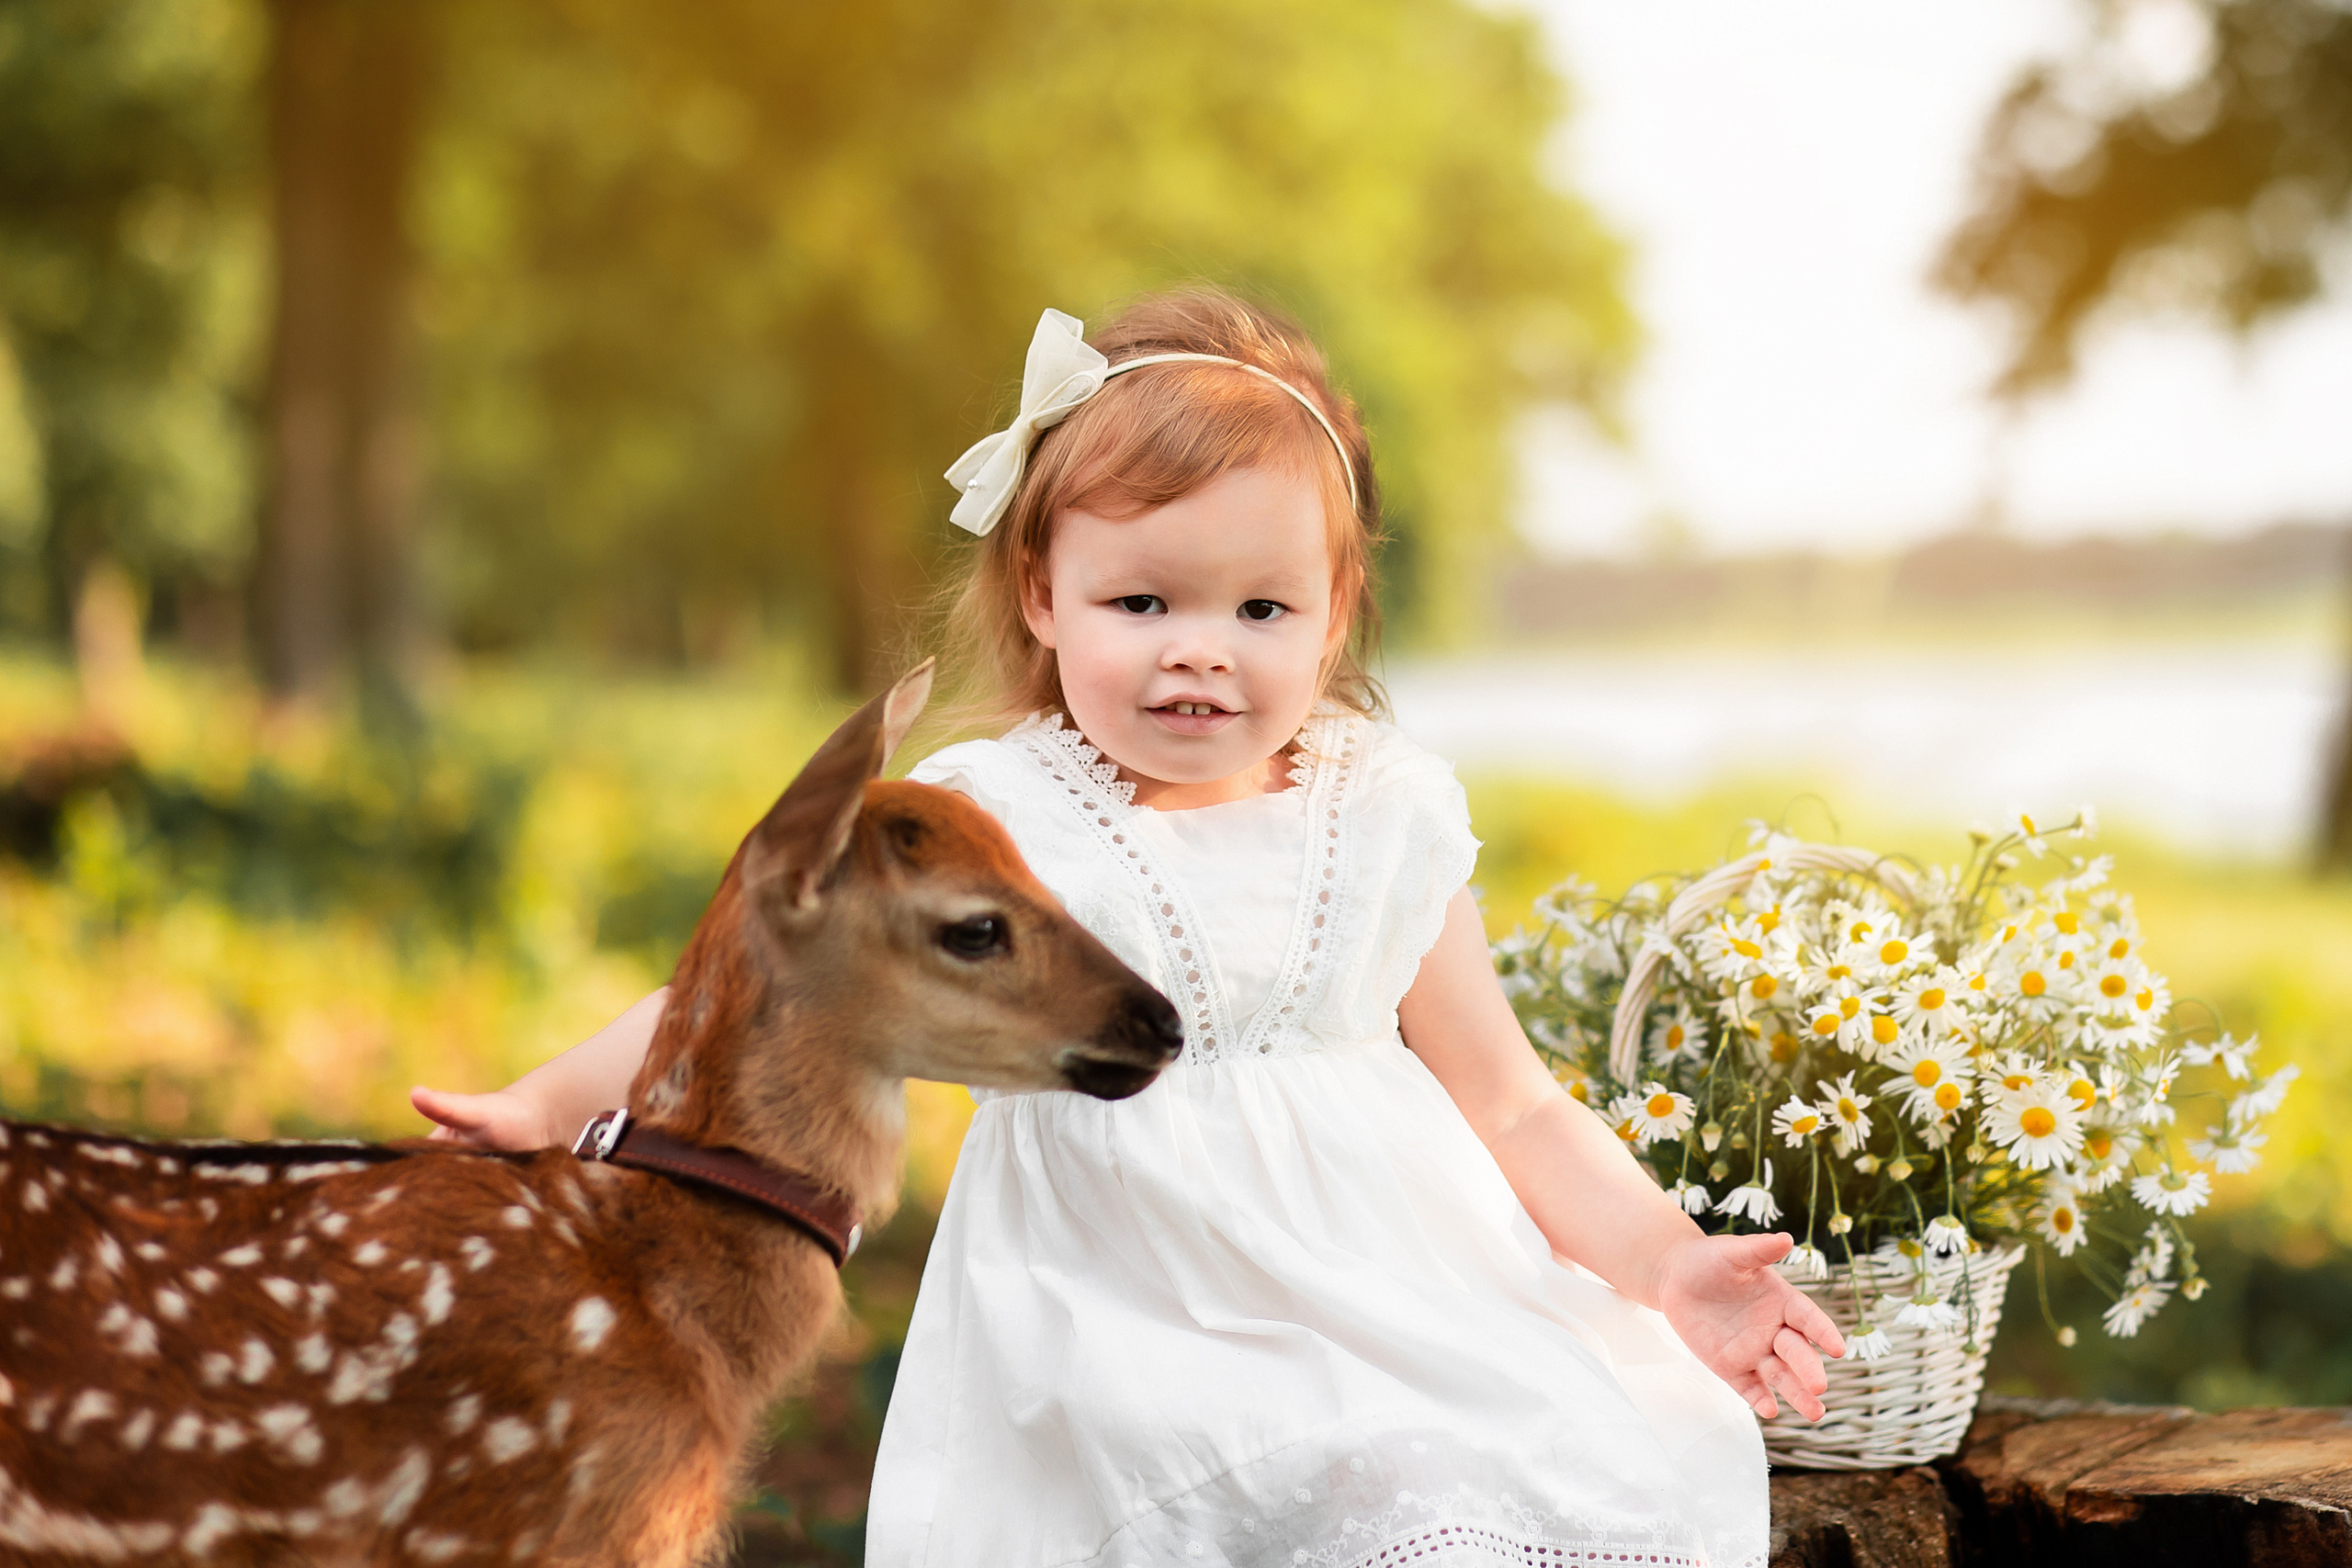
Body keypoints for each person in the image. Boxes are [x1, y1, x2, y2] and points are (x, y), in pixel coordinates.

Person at [413, 289, 1841, 1568]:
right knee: (1338, 1490)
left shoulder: (1385, 808)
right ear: (1044, 593)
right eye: (1142, 600)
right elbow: (756, 995)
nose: (1200, 648)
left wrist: (1662, 1261)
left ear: (1335, 617)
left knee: (1508, 1474)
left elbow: (1513, 1102)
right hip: (1131, 1327)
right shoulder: (993, 814)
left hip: (1406, 1299)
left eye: (1262, 606)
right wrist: (546, 1100)